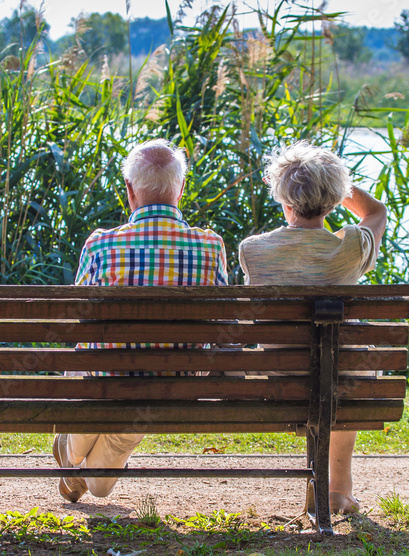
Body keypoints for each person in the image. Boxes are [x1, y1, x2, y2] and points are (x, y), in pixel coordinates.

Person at [52, 138, 229, 502]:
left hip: (104, 378)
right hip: (174, 385)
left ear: (130, 191)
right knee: (100, 486)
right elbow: (222, 321)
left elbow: (77, 318)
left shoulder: (100, 245)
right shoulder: (211, 245)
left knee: (87, 372)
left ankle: (73, 443)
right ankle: (87, 456)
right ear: (180, 189)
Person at [238, 140, 387, 515]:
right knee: (344, 365)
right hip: (342, 377)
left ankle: (331, 487)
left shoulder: (253, 250)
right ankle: (338, 488)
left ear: (283, 199)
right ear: (336, 200)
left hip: (280, 378)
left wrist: (307, 184)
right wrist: (334, 189)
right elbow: (376, 211)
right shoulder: (352, 247)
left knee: (331, 366)